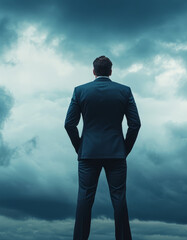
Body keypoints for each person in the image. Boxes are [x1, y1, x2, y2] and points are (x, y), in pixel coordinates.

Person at [64, 56, 141, 240]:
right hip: (116, 152)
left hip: (88, 152)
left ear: (93, 71)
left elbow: (69, 124)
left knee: (84, 198)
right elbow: (135, 124)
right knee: (119, 198)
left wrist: (80, 147)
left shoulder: (80, 91)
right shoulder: (124, 91)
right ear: (111, 71)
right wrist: (124, 149)